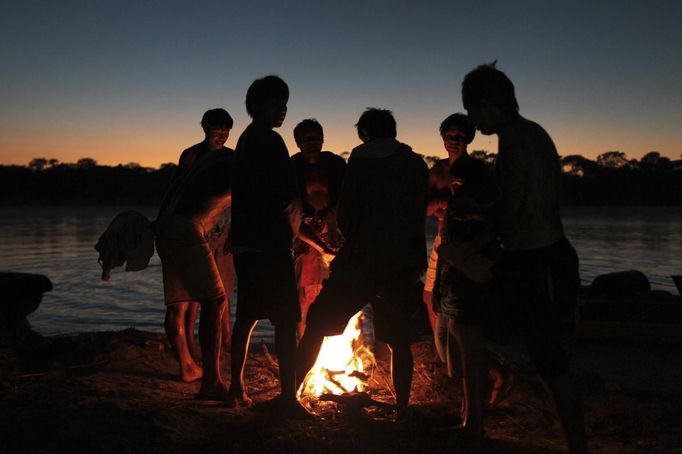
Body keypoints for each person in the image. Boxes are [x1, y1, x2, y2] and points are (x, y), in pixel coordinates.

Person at [461, 62, 586, 453]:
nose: (472, 121)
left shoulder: (521, 140)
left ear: (487, 104)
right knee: (469, 327)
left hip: (541, 262)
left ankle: (576, 447)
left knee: (553, 366)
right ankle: (474, 427)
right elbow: (515, 204)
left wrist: (472, 238)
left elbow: (514, 210)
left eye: (472, 112)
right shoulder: (519, 135)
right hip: (522, 259)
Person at [296, 108, 428, 416]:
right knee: (399, 339)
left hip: (361, 263)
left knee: (316, 324)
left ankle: (290, 395)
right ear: (392, 131)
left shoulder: (360, 162)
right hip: (403, 263)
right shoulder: (415, 163)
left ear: (365, 135)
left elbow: (348, 215)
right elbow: (417, 212)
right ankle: (403, 408)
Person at [227, 75, 306, 415]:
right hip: (269, 245)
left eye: (285, 104)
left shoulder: (246, 140)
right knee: (286, 321)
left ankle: (236, 388)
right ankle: (288, 398)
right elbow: (285, 196)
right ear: (258, 106)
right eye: (278, 104)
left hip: (248, 243)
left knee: (247, 316)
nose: (283, 110)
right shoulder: (270, 141)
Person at [157, 108, 235, 386]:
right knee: (194, 301)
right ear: (204, 127)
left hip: (208, 231)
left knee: (201, 298)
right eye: (217, 129)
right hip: (188, 229)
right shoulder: (192, 156)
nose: (222, 135)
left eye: (226, 130)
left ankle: (191, 364)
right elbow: (175, 191)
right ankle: (198, 369)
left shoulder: (230, 157)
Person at [290, 119, 346, 339]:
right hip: (304, 237)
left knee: (337, 292)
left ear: (323, 139)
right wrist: (320, 246)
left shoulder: (335, 164)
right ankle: (305, 345)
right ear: (298, 143)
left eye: (315, 138)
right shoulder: (292, 167)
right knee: (305, 293)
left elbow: (348, 195)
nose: (311, 143)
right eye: (306, 139)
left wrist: (332, 218)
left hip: (336, 233)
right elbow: (292, 216)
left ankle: (335, 344)